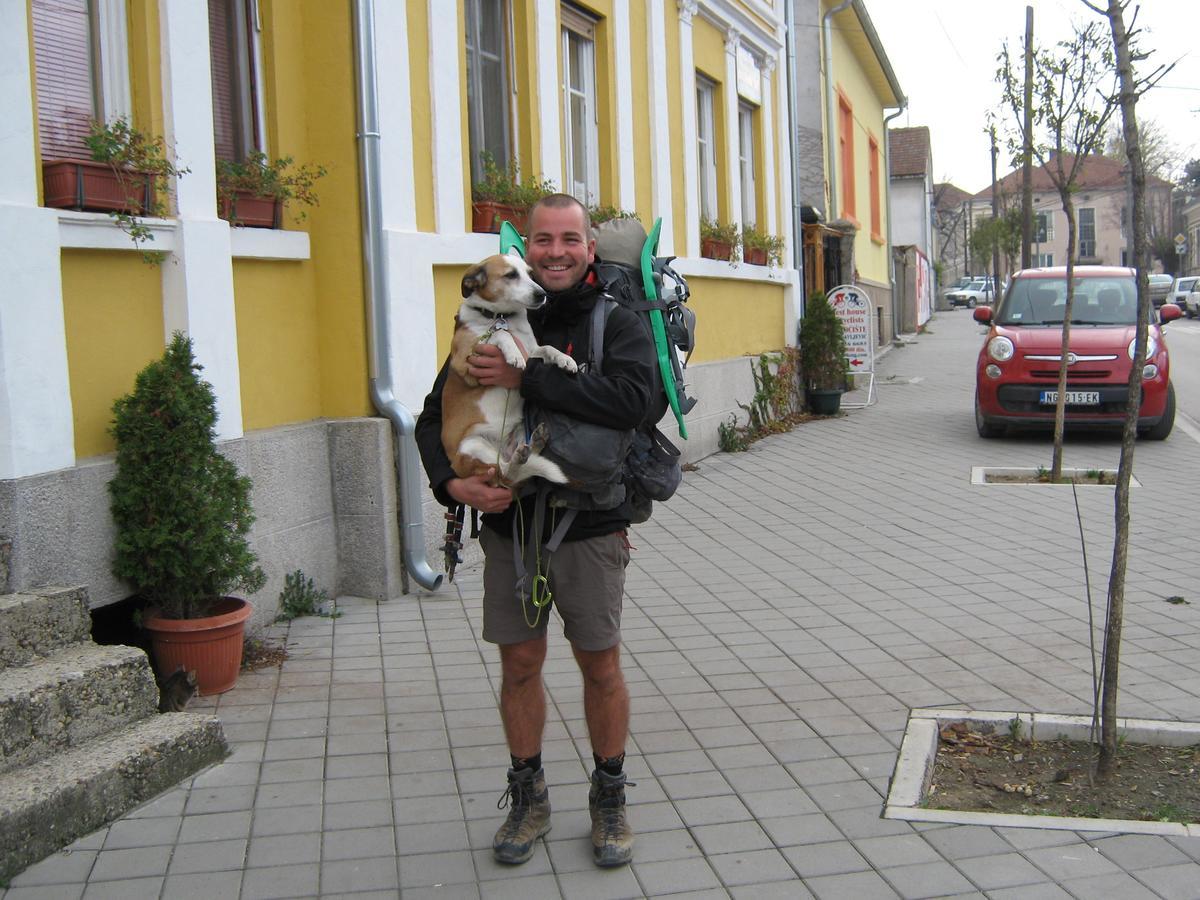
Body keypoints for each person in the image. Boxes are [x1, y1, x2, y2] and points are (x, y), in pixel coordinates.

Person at [415, 193, 656, 868]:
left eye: (569, 239)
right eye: (542, 240)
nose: (555, 252)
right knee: (520, 664)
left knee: (599, 663)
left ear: (587, 246)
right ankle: (530, 796)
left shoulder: (618, 318)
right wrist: (450, 485)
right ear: (528, 246)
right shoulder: (496, 315)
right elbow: (433, 417)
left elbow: (636, 403)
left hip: (590, 523)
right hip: (510, 526)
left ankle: (609, 797)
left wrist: (532, 377)